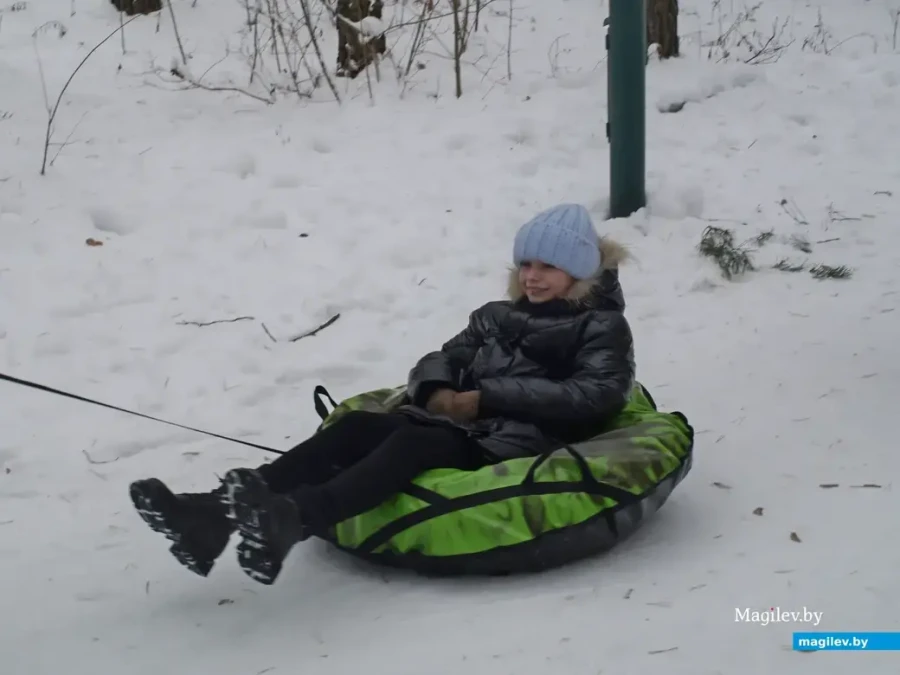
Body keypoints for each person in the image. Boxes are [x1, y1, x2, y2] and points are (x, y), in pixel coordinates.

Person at [129, 202, 635, 585]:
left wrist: (487, 398)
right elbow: (444, 356)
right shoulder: (496, 315)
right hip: (461, 422)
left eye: (547, 267)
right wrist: (435, 388)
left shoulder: (600, 326)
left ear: (578, 272)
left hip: (522, 437)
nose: (531, 277)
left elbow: (597, 394)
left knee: (414, 444)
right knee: (356, 428)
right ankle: (211, 516)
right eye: (526, 264)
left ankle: (296, 518)